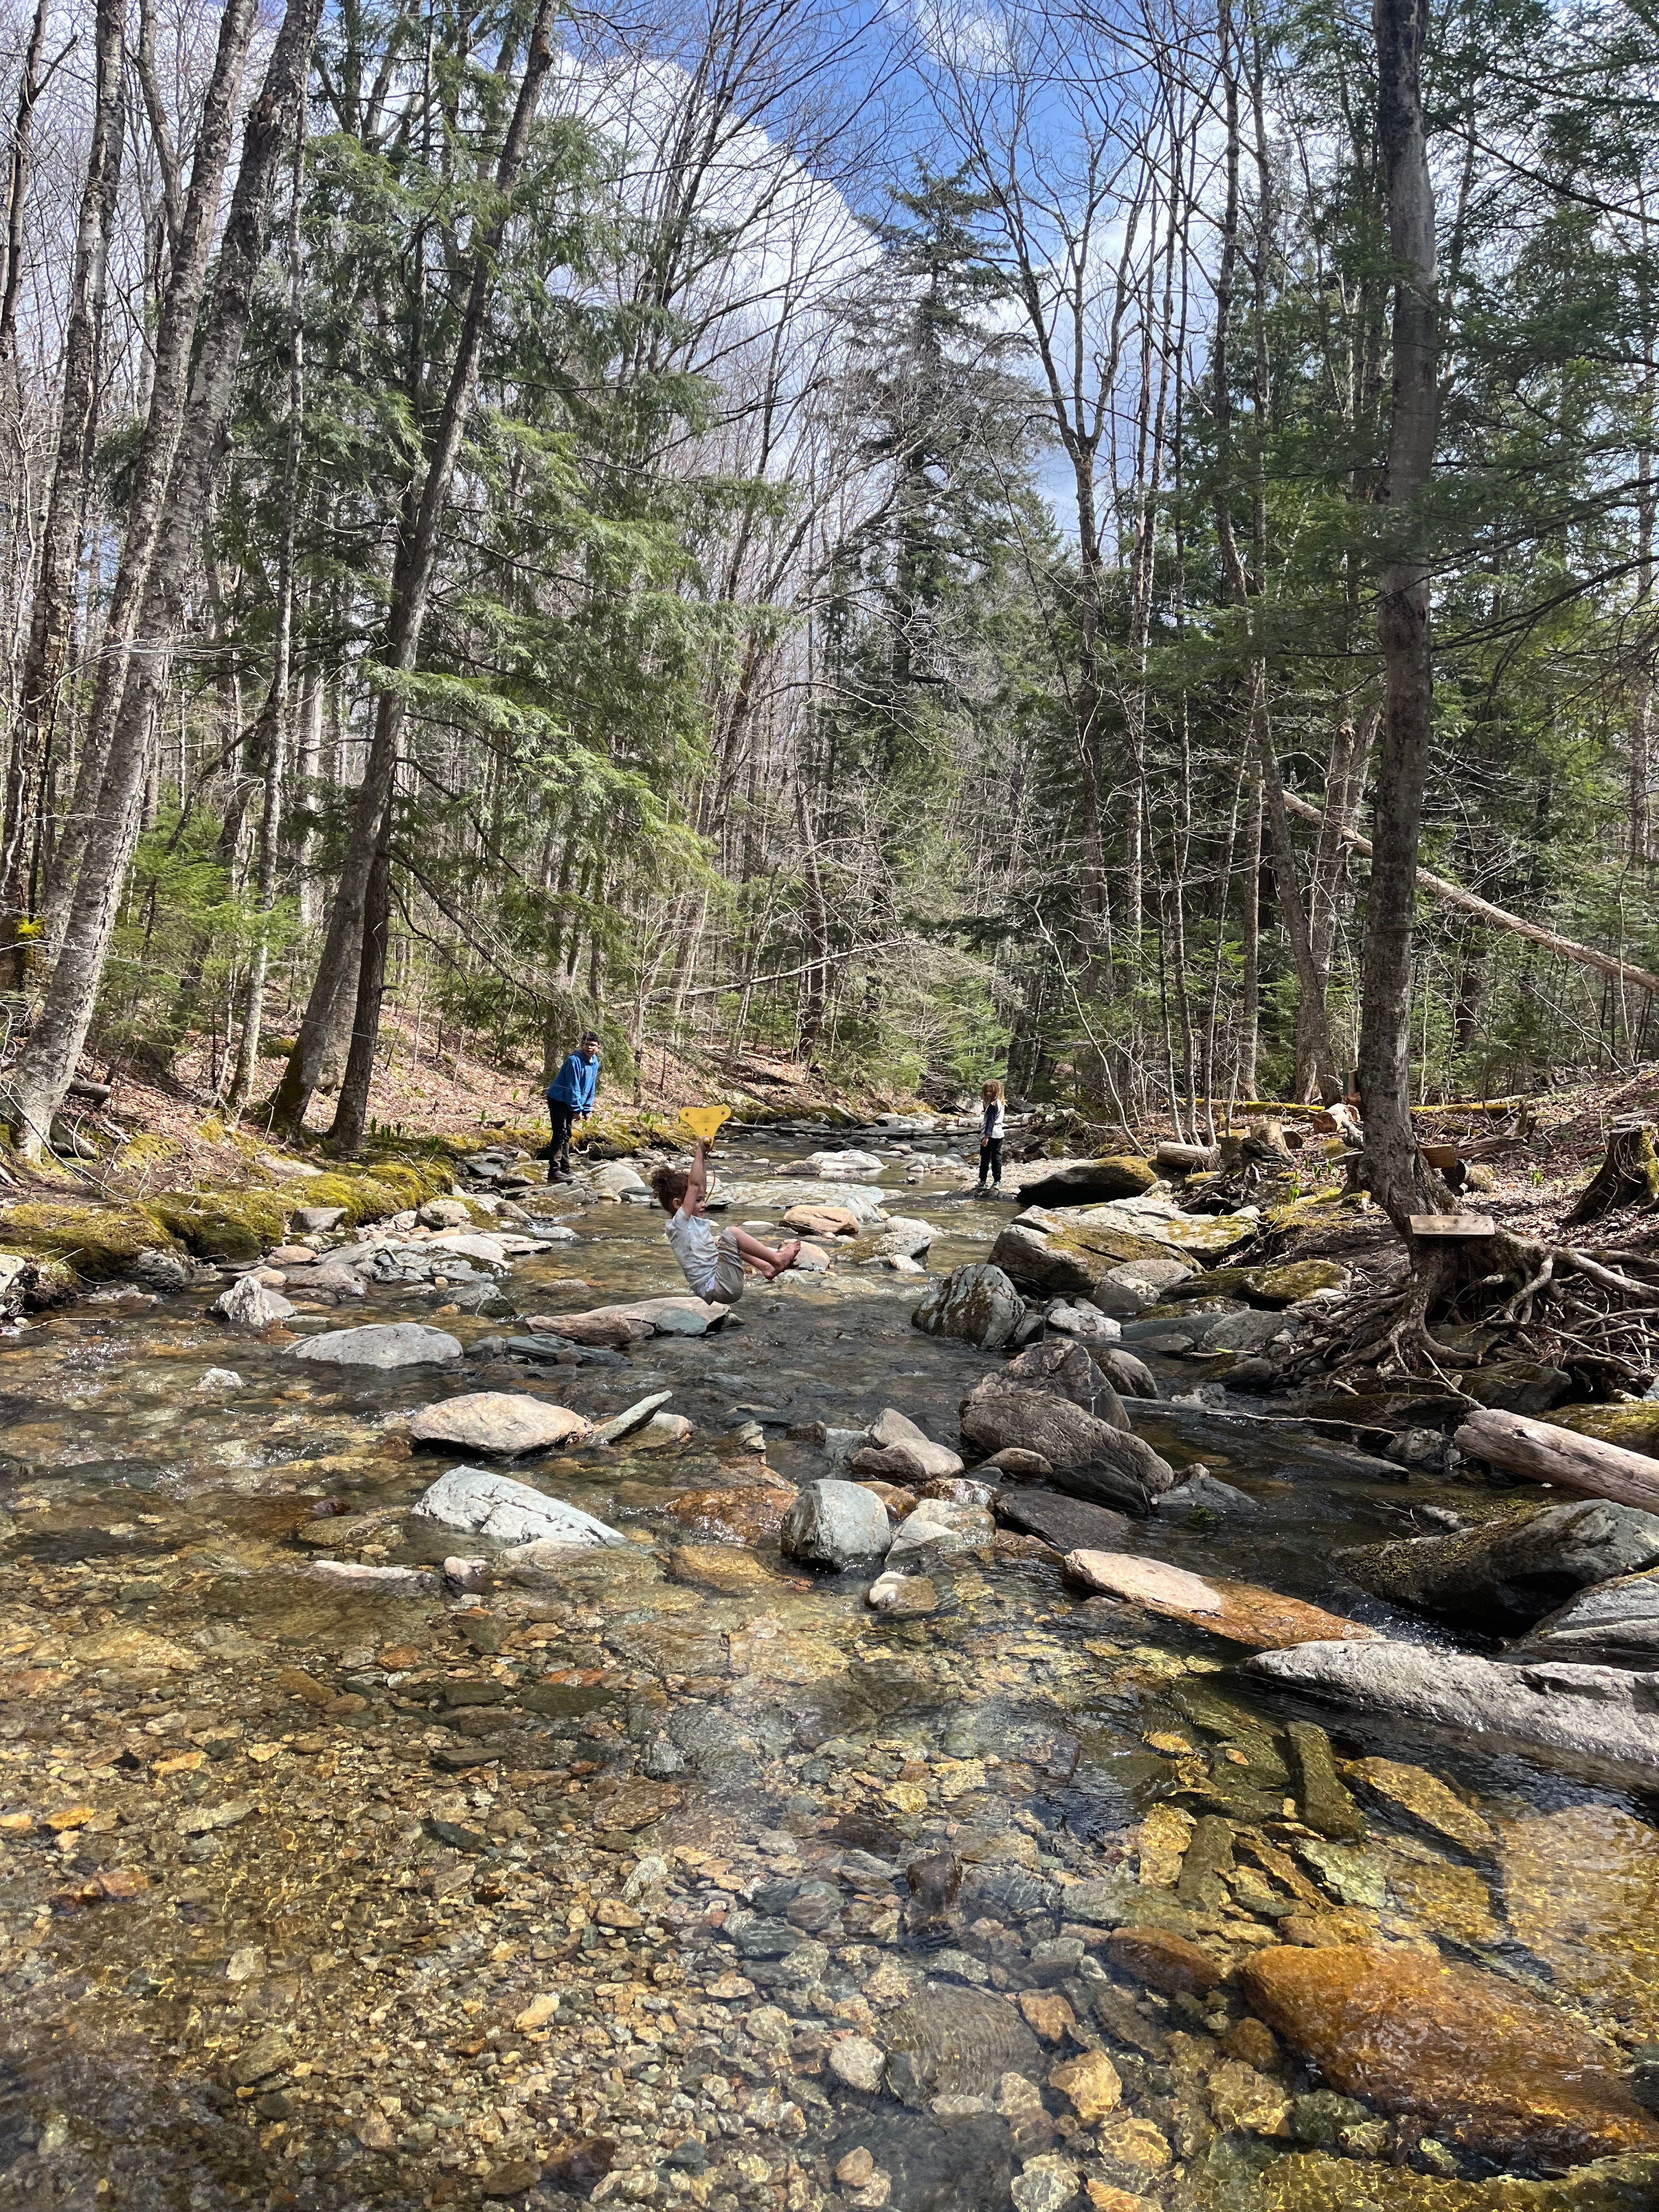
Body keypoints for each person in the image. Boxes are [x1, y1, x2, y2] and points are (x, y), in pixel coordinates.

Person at [650, 1137, 801, 1303]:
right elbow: (693, 1185)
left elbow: (699, 1185)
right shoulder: (680, 1223)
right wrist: (699, 1151)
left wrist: (705, 1158)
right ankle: (777, 1260)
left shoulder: (685, 1224)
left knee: (724, 1242)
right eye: (698, 1200)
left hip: (719, 1287)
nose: (704, 1203)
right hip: (719, 1286)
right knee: (732, 1233)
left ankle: (767, 1268)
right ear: (678, 1204)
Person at [544, 1031, 600, 1183]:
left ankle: (566, 1169)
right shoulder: (574, 1061)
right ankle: (554, 1172)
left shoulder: (595, 1062)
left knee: (568, 1134)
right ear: (582, 1045)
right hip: (559, 1099)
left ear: (598, 1048)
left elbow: (590, 1087)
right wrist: (576, 1109)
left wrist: (587, 1109)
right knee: (560, 1133)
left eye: (592, 1045)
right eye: (586, 1044)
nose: (589, 1048)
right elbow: (572, 1086)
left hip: (572, 1100)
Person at [977, 1077, 1007, 1193]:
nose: (989, 1094)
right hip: (999, 1134)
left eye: (991, 1091)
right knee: (997, 1157)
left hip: (991, 1135)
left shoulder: (993, 1106)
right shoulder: (1001, 1103)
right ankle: (997, 1182)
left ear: (997, 1092)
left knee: (985, 1159)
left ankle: (983, 1182)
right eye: (987, 1091)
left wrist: (986, 1137)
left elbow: (990, 1122)